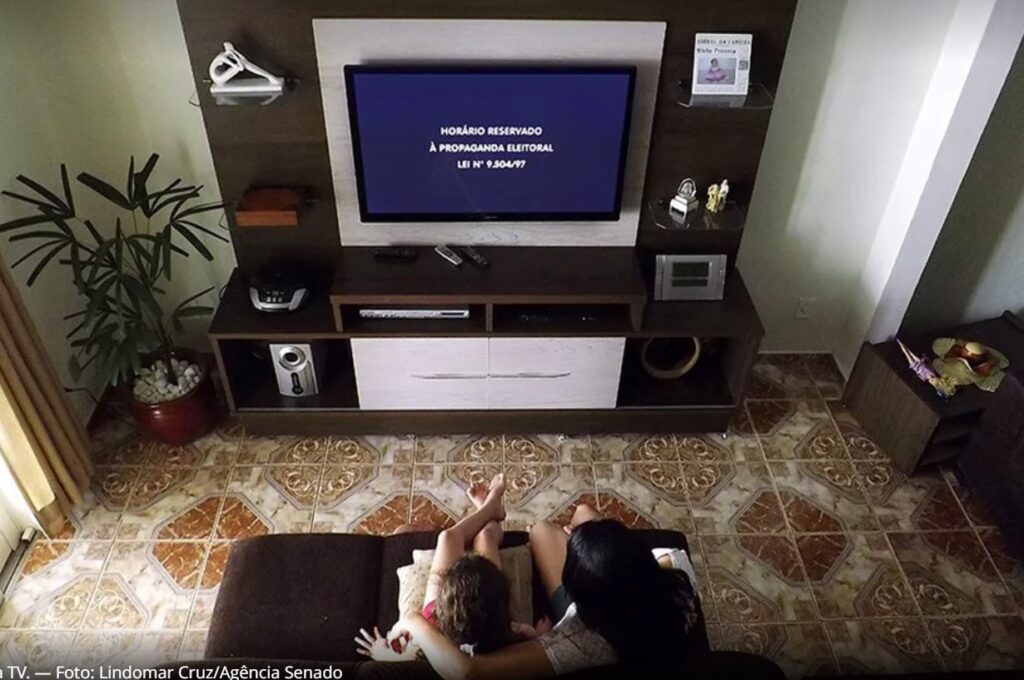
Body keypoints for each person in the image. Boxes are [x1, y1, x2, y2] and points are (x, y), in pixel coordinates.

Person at [386, 503, 701, 680]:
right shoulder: (676, 566)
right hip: (635, 615)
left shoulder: (577, 641)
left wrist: (413, 619)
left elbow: (467, 672)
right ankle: (584, 535)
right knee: (584, 512)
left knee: (541, 531)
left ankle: (577, 536)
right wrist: (585, 543)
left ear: (579, 593)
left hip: (606, 625)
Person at [356, 475, 551, 663]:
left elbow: (400, 656)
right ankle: (490, 509)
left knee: (448, 537)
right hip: (474, 607)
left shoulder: (423, 644)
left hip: (437, 616)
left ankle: (489, 508)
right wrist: (541, 635)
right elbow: (533, 640)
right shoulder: (510, 632)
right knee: (485, 537)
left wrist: (378, 652)